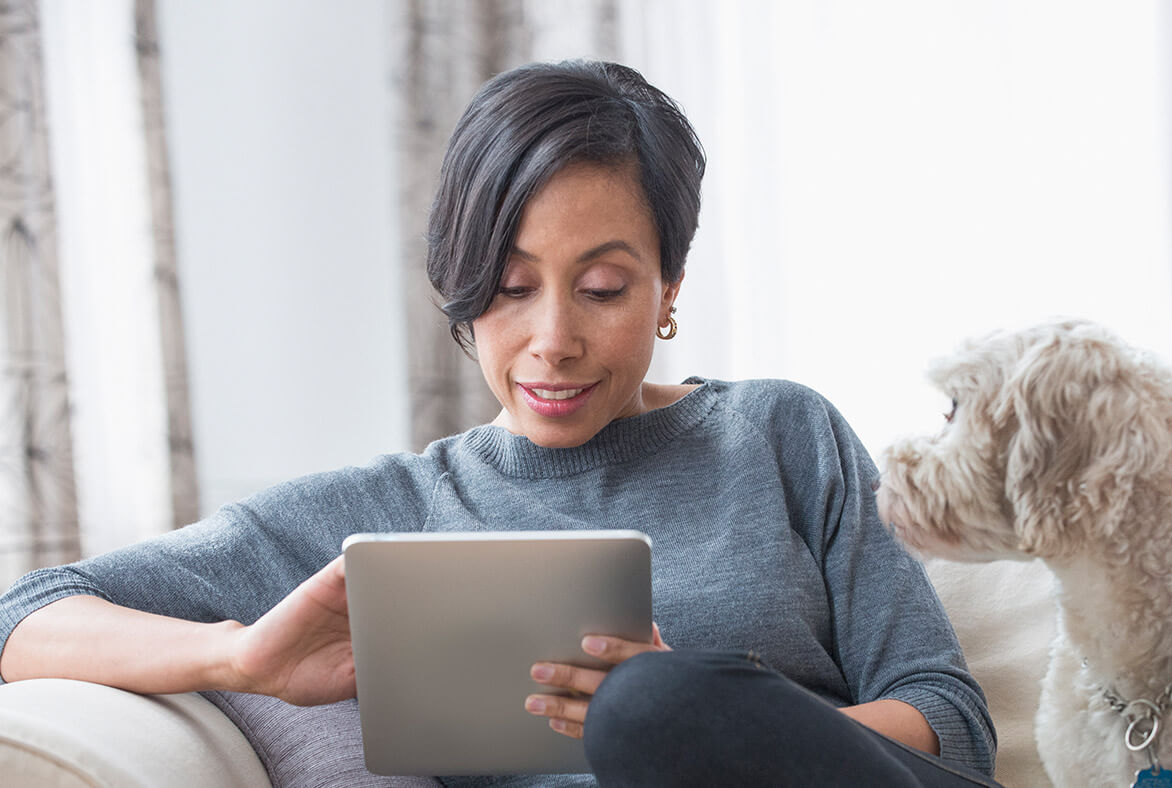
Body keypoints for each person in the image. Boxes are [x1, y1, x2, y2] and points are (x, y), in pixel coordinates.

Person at [0, 60, 998, 787]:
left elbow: (949, 719)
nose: (551, 339)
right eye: (511, 288)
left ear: (668, 289)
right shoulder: (385, 513)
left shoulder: (777, 433)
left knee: (652, 704)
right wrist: (239, 656)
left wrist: (719, 716)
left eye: (602, 286)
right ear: (461, 295)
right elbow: (27, 612)